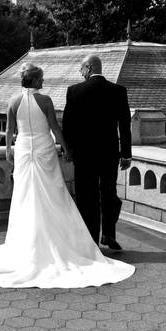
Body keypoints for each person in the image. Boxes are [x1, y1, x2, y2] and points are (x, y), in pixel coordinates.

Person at [0, 63, 134, 288]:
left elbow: (8, 130)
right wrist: (66, 148)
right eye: (42, 79)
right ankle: (82, 240)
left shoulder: (13, 101)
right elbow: (56, 128)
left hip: (24, 150)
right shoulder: (45, 100)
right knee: (57, 194)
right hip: (48, 150)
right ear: (35, 81)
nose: (43, 82)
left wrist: (8, 149)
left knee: (26, 195)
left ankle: (35, 242)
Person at [62, 54, 131, 251]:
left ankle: (91, 239)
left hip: (84, 155)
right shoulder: (118, 91)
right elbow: (125, 126)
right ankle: (108, 233)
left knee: (87, 196)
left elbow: (68, 125)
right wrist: (126, 154)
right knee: (110, 193)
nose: (80, 72)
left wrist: (69, 150)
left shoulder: (74, 91)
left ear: (89, 68)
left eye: (81, 68)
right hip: (109, 152)